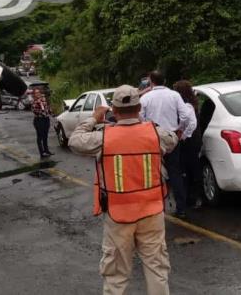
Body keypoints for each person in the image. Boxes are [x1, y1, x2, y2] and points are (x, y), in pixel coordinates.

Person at [69, 85, 178, 295]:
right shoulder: (154, 133)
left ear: (114, 111)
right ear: (139, 108)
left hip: (119, 216)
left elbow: (75, 140)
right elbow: (172, 140)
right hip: (152, 212)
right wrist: (147, 125)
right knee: (157, 269)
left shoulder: (104, 137)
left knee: (116, 275)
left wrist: (94, 118)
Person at [140, 70, 196, 218]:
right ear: (164, 81)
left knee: (154, 174)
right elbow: (185, 116)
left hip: (153, 137)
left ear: (151, 81)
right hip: (171, 139)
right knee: (175, 173)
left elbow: (140, 117)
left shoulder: (146, 97)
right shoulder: (174, 95)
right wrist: (179, 130)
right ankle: (181, 208)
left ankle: (157, 209)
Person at [173, 80, 203, 209]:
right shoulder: (191, 103)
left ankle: (194, 198)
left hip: (190, 140)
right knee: (192, 167)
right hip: (193, 139)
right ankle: (193, 197)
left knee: (189, 168)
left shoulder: (187, 106)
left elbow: (191, 123)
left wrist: (183, 135)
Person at [31, 88, 53, 158]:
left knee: (45, 136)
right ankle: (42, 152)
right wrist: (43, 112)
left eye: (38, 93)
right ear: (34, 95)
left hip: (46, 119)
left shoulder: (43, 100)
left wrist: (50, 111)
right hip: (39, 120)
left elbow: (47, 108)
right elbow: (35, 111)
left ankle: (46, 150)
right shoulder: (34, 102)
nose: (37, 94)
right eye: (36, 93)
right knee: (40, 136)